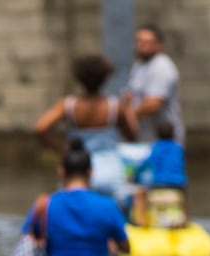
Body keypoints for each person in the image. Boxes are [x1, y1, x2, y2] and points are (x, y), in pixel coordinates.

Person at [34, 53, 138, 205]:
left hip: (78, 174)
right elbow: (132, 134)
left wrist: (60, 149)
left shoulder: (68, 105)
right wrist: (129, 108)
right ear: (105, 78)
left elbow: (40, 128)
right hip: (110, 173)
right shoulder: (115, 107)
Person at [125, 23, 184, 145]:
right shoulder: (139, 65)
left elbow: (153, 104)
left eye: (148, 42)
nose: (142, 46)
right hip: (146, 139)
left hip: (164, 141)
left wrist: (129, 116)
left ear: (159, 45)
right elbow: (130, 94)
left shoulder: (161, 66)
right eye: (139, 41)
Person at [131, 119, 188, 228]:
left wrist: (135, 175)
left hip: (159, 183)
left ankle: (140, 222)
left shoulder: (156, 147)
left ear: (157, 133)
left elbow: (146, 164)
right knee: (185, 198)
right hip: (179, 184)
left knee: (140, 193)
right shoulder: (178, 148)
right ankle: (185, 220)